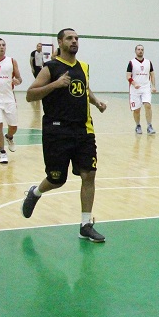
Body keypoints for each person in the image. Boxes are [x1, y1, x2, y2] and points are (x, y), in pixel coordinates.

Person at [21, 28, 108, 243]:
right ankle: (35, 192)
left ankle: (85, 225)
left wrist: (96, 102)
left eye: (76, 38)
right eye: (70, 38)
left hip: (83, 130)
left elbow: (84, 89)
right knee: (56, 179)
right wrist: (56, 84)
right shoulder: (50, 68)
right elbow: (30, 95)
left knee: (89, 174)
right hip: (57, 131)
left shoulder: (83, 67)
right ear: (60, 42)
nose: (74, 41)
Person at [127, 45, 156, 135]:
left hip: (146, 88)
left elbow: (152, 74)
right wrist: (134, 84)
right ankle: (138, 125)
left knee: (148, 105)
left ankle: (149, 126)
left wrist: (153, 86)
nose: (140, 51)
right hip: (135, 89)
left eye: (142, 50)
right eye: (139, 49)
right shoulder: (131, 62)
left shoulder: (148, 62)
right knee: (137, 110)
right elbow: (128, 76)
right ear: (135, 51)